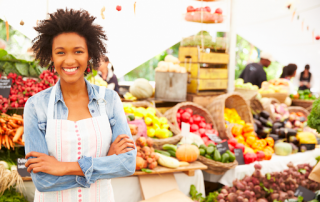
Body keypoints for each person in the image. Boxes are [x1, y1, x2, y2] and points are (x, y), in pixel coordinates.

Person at [24, 9, 136, 201]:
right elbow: (42, 181)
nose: (69, 60)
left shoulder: (110, 100)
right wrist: (104, 164)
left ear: (89, 54)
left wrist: (63, 167)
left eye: (78, 51)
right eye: (60, 52)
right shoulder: (36, 106)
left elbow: (127, 164)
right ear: (51, 56)